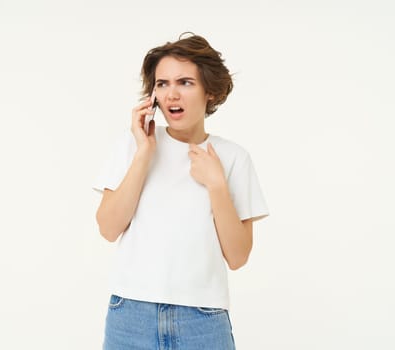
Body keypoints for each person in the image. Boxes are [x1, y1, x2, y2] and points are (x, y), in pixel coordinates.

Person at [93, 33, 269, 349]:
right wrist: (144, 153)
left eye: (185, 82)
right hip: (131, 315)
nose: (172, 94)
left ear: (210, 92)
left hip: (202, 320)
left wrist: (216, 185)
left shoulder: (233, 158)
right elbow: (108, 228)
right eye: (162, 84)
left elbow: (238, 256)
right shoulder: (132, 145)